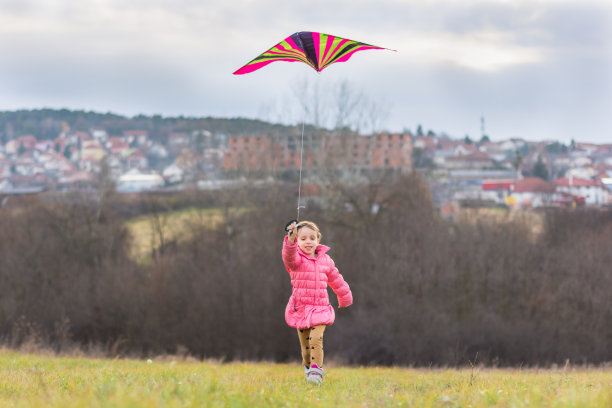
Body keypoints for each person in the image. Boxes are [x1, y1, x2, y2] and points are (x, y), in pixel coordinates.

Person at [282, 220, 353, 385]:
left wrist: (345, 297)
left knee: (315, 339)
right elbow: (288, 256)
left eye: (312, 238)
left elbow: (337, 280)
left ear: (318, 240)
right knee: (306, 347)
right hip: (301, 308)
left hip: (321, 309)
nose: (308, 241)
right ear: (297, 241)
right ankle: (308, 370)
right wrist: (290, 240)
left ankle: (316, 372)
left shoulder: (325, 260)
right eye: (304, 238)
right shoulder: (296, 260)